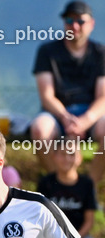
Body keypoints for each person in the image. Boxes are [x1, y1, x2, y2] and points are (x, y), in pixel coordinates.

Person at [30, 1, 105, 183]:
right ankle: (59, 188)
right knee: (40, 130)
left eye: (80, 21)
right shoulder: (47, 51)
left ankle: (87, 192)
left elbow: (103, 97)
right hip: (56, 114)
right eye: (69, 20)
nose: (75, 25)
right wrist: (65, 117)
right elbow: (47, 95)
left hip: (91, 114)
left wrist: (85, 121)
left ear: (91, 24)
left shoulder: (101, 53)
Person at [36, 139, 102, 238]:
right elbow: (39, 215)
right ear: (54, 156)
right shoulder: (46, 182)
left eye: (72, 154)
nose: (67, 158)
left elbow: (89, 220)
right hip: (50, 237)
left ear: (80, 158)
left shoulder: (86, 184)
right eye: (62, 154)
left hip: (80, 237)